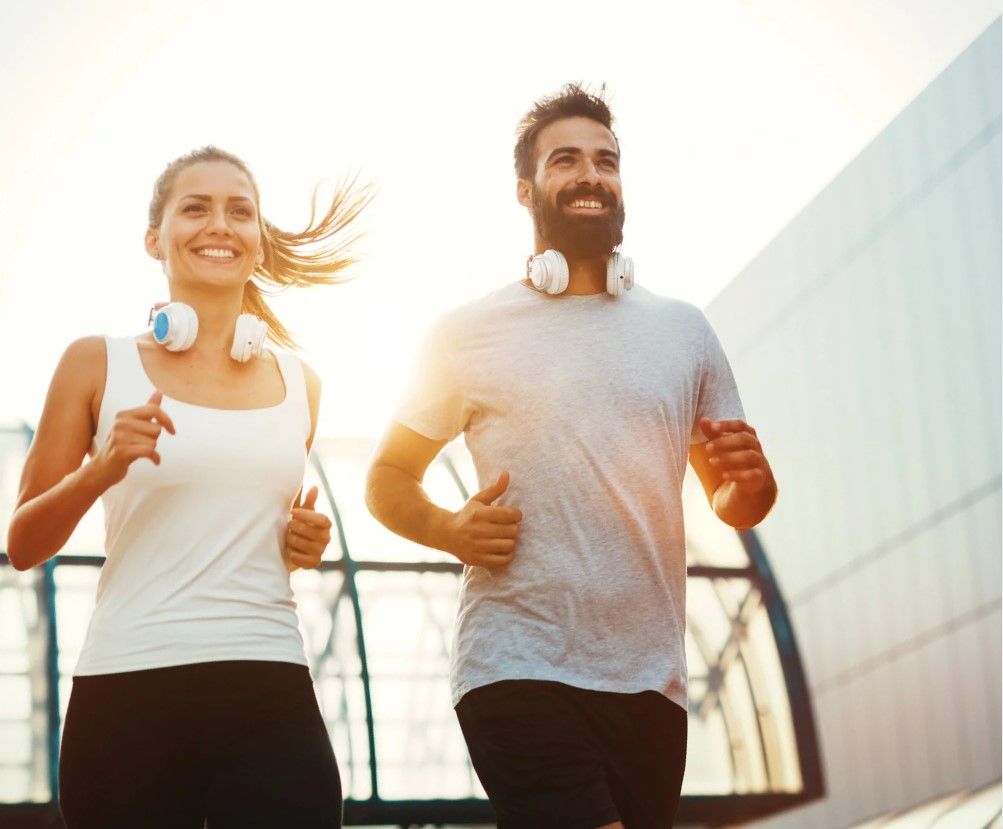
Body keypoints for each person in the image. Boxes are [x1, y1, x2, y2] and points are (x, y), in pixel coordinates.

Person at [365, 84, 778, 828]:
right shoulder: (464, 333)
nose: (590, 174)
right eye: (565, 160)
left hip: (650, 682)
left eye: (605, 161)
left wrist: (754, 486)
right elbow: (387, 479)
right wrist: (448, 528)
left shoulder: (684, 330)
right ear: (525, 190)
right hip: (515, 665)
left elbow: (732, 501)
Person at [6, 146, 369, 828]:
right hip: (129, 690)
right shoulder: (95, 362)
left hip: (270, 684)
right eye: (195, 208)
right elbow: (24, 544)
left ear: (258, 241)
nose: (219, 225)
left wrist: (302, 543)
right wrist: (101, 468)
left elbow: (239, 531)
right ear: (155, 238)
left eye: (240, 211)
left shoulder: (303, 384)